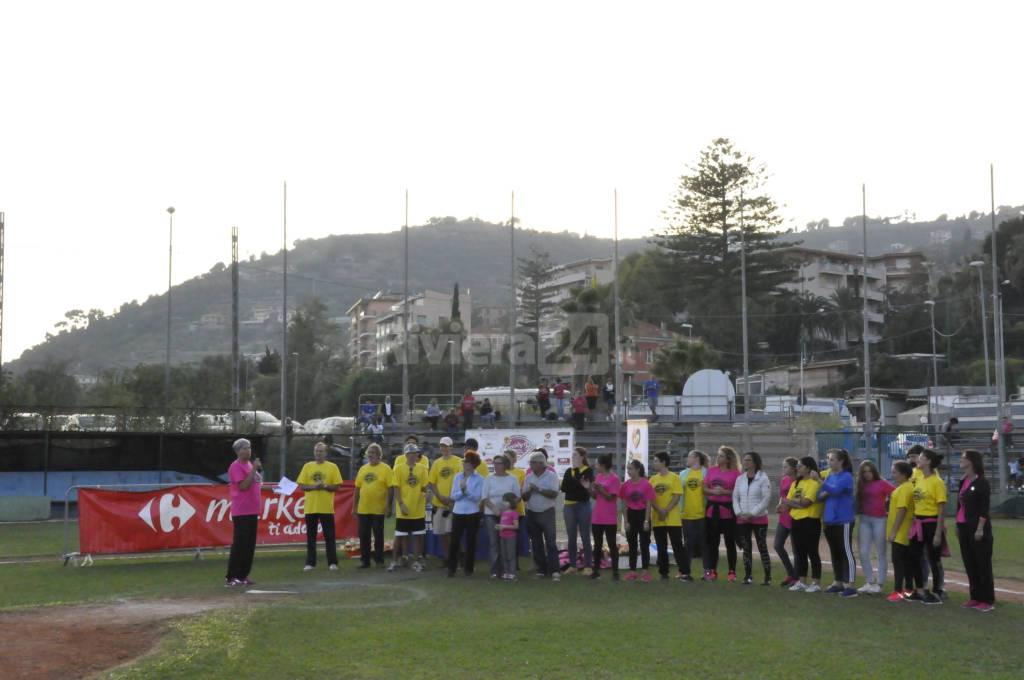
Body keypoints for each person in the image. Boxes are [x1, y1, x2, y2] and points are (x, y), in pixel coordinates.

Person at [957, 449, 995, 612]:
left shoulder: (981, 482)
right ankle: (975, 597)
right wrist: (958, 526)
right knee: (970, 563)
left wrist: (980, 528)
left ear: (971, 462)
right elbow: (961, 505)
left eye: (963, 458)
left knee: (982, 563)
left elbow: (984, 508)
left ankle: (987, 600)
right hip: (964, 527)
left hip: (976, 528)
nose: (961, 460)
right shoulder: (963, 480)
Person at [817, 448, 858, 598]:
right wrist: (826, 488)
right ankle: (838, 581)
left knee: (846, 552)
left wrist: (822, 483)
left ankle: (851, 585)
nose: (829, 462)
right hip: (829, 520)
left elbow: (834, 491)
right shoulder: (829, 476)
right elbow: (819, 496)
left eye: (832, 459)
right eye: (829, 459)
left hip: (844, 520)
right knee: (835, 552)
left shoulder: (846, 476)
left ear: (841, 461)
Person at [908, 448, 947, 605]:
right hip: (918, 523)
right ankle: (920, 590)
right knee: (915, 556)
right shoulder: (919, 478)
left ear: (929, 461)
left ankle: (937, 591)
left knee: (933, 558)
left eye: (921, 458)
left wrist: (938, 532)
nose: (918, 460)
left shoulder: (937, 481)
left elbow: (941, 507)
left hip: (931, 523)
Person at [297, 442, 342, 572]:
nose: (318, 453)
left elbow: (337, 486)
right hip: (310, 508)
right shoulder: (307, 466)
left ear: (326, 453)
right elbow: (302, 485)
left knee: (329, 536)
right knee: (311, 537)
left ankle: (332, 563)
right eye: (316, 451)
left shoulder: (332, 467)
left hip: (326, 508)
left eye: (321, 451)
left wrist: (326, 486)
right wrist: (314, 487)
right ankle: (310, 563)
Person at [783, 456, 823, 593]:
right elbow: (786, 503)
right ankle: (802, 581)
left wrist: (792, 503)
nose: (797, 468)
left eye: (800, 466)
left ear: (808, 468)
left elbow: (806, 503)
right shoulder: (796, 483)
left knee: (812, 551)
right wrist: (794, 504)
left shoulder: (814, 483)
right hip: (796, 520)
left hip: (810, 521)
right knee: (799, 552)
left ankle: (816, 582)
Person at [225, 438, 262, 587]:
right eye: (244, 448)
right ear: (238, 451)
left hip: (253, 510)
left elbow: (256, 485)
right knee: (240, 544)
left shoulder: (248, 464)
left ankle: (243, 575)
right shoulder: (236, 466)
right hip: (241, 511)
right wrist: (254, 469)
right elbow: (243, 486)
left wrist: (276, 489)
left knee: (249, 545)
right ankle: (231, 576)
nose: (248, 450)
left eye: (249, 447)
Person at [855, 459, 895, 594]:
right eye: (864, 472)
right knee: (863, 551)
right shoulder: (860, 485)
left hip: (880, 520)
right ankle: (870, 581)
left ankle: (880, 583)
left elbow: (895, 493)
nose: (867, 474)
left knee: (881, 552)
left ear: (874, 472)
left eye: (869, 471)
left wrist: (889, 509)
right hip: (865, 519)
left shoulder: (882, 483)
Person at [650, 451, 691, 581]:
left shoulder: (674, 477)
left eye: (656, 460)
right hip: (658, 518)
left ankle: (684, 572)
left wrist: (666, 510)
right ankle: (663, 572)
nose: (654, 463)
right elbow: (650, 498)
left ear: (663, 462)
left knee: (677, 545)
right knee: (661, 546)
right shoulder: (653, 479)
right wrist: (659, 510)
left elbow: (677, 496)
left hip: (672, 519)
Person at [388, 443, 429, 573]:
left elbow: (424, 487)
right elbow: (396, 487)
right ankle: (395, 561)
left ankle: (417, 561)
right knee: (399, 536)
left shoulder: (422, 468)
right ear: (406, 455)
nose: (413, 456)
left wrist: (425, 495)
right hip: (403, 509)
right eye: (410, 453)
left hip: (418, 509)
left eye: (415, 453)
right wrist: (401, 504)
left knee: (419, 536)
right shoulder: (399, 468)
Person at [733, 451, 771, 586]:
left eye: (748, 460)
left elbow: (766, 499)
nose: (745, 462)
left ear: (755, 463)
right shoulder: (740, 479)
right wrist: (739, 512)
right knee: (746, 547)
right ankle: (748, 576)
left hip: (759, 518)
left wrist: (753, 513)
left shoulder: (763, 478)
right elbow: (735, 497)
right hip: (742, 518)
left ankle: (767, 577)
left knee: (762, 546)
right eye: (744, 460)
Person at [522, 449, 561, 581]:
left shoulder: (551, 476)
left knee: (550, 541)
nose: (530, 465)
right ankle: (541, 569)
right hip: (532, 511)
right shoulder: (528, 477)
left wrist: (538, 489)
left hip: (547, 512)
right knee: (536, 542)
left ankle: (555, 570)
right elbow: (524, 497)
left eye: (533, 463)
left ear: (540, 463)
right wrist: (529, 491)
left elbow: (554, 494)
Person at [703, 446, 740, 581]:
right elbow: (705, 488)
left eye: (721, 456)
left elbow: (738, 491)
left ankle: (732, 571)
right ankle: (712, 570)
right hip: (712, 511)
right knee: (713, 543)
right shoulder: (711, 470)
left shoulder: (736, 473)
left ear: (728, 459)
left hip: (727, 512)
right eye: (718, 455)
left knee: (730, 542)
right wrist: (713, 492)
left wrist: (724, 492)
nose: (718, 458)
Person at [353, 443, 392, 569]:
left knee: (378, 535)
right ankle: (365, 561)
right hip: (363, 508)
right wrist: (354, 507)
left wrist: (388, 506)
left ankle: (379, 560)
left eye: (373, 453)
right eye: (369, 453)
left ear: (379, 455)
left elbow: (390, 488)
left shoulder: (386, 469)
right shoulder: (363, 469)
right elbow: (357, 489)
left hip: (378, 509)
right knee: (364, 535)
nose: (371, 455)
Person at [482, 453, 521, 578]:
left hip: (507, 516)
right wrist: (494, 508)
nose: (496, 465)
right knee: (494, 542)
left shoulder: (512, 478)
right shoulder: (488, 478)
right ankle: (494, 570)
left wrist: (507, 507)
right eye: (494, 463)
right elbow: (484, 497)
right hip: (491, 514)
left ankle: (507, 570)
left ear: (505, 465)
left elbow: (518, 497)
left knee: (506, 543)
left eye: (499, 463)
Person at [447, 452, 485, 577]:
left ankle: (469, 568)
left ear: (473, 464)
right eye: (464, 461)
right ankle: (451, 568)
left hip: (472, 513)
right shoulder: (457, 477)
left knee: (471, 541)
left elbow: (477, 498)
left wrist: (465, 491)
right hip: (458, 512)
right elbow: (453, 495)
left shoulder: (480, 479)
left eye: (466, 461)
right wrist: (462, 492)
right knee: (454, 541)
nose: (464, 463)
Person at [885, 460, 917, 602]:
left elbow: (902, 510)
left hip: (901, 532)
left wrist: (893, 532)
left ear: (904, 474)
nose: (893, 474)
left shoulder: (905, 488)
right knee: (906, 562)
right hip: (903, 532)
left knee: (899, 562)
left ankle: (898, 591)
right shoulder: (905, 487)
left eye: (895, 472)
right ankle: (909, 590)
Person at [561, 447, 595, 575]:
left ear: (582, 457)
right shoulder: (569, 471)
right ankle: (573, 565)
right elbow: (564, 488)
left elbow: (585, 488)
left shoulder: (588, 470)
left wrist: (576, 486)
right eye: (572, 455)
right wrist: (578, 485)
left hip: (583, 506)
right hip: (568, 506)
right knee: (571, 537)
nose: (572, 458)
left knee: (585, 536)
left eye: (575, 455)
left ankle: (587, 566)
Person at [427, 436, 462, 562]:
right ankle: (447, 558)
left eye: (446, 446)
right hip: (439, 503)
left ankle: (455, 557)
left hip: (454, 503)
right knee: (442, 533)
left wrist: (452, 498)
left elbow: (462, 480)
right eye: (442, 446)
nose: (444, 448)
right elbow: (432, 482)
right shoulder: (437, 463)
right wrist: (439, 496)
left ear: (451, 447)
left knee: (451, 533)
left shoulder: (458, 461)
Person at [620, 459, 654, 582]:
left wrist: (646, 521)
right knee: (632, 545)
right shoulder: (625, 485)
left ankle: (645, 572)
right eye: (627, 469)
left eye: (631, 469)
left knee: (644, 544)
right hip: (631, 515)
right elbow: (624, 505)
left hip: (642, 515)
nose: (628, 471)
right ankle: (632, 571)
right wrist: (626, 521)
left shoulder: (646, 484)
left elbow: (648, 504)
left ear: (638, 470)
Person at [590, 453, 621, 580]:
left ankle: (615, 572)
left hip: (609, 517)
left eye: (597, 464)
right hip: (597, 516)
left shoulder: (614, 478)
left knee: (612, 544)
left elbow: (611, 498)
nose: (596, 466)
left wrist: (600, 489)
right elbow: (595, 497)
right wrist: (589, 489)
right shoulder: (598, 476)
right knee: (597, 545)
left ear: (603, 465)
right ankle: (596, 570)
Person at [680, 450, 707, 578]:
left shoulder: (706, 473)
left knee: (704, 544)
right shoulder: (683, 474)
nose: (687, 458)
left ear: (696, 458)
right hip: (686, 515)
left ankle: (707, 572)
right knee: (688, 544)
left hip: (703, 515)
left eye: (689, 456)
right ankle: (686, 572)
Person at [775, 457, 799, 588]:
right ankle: (791, 573)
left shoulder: (798, 481)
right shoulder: (784, 480)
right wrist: (779, 505)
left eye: (785, 467)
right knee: (778, 545)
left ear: (793, 468)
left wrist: (787, 506)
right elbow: (782, 496)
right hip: (784, 517)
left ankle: (796, 577)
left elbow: (797, 499)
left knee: (796, 549)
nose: (783, 469)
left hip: (795, 517)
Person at [496, 493, 520, 581]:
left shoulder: (514, 513)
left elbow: (516, 526)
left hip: (511, 537)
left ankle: (512, 573)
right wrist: (499, 526)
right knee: (504, 555)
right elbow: (503, 524)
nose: (503, 503)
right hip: (502, 536)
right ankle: (506, 572)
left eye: (505, 501)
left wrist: (504, 527)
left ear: (511, 502)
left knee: (511, 555)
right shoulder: (503, 513)